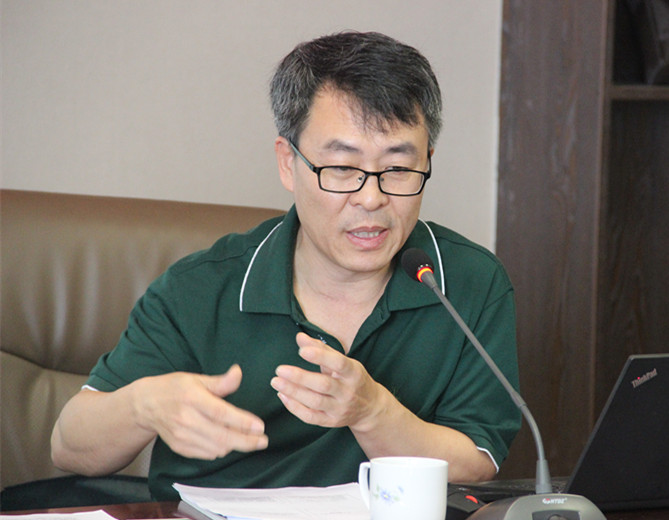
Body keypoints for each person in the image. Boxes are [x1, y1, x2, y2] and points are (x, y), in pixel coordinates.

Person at [51, 31, 521, 501]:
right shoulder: (200, 288)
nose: (371, 198)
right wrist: (144, 407)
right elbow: (69, 448)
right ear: (287, 163)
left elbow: (477, 463)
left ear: (428, 162)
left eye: (398, 169)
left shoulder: (469, 283)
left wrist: (373, 412)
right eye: (342, 168)